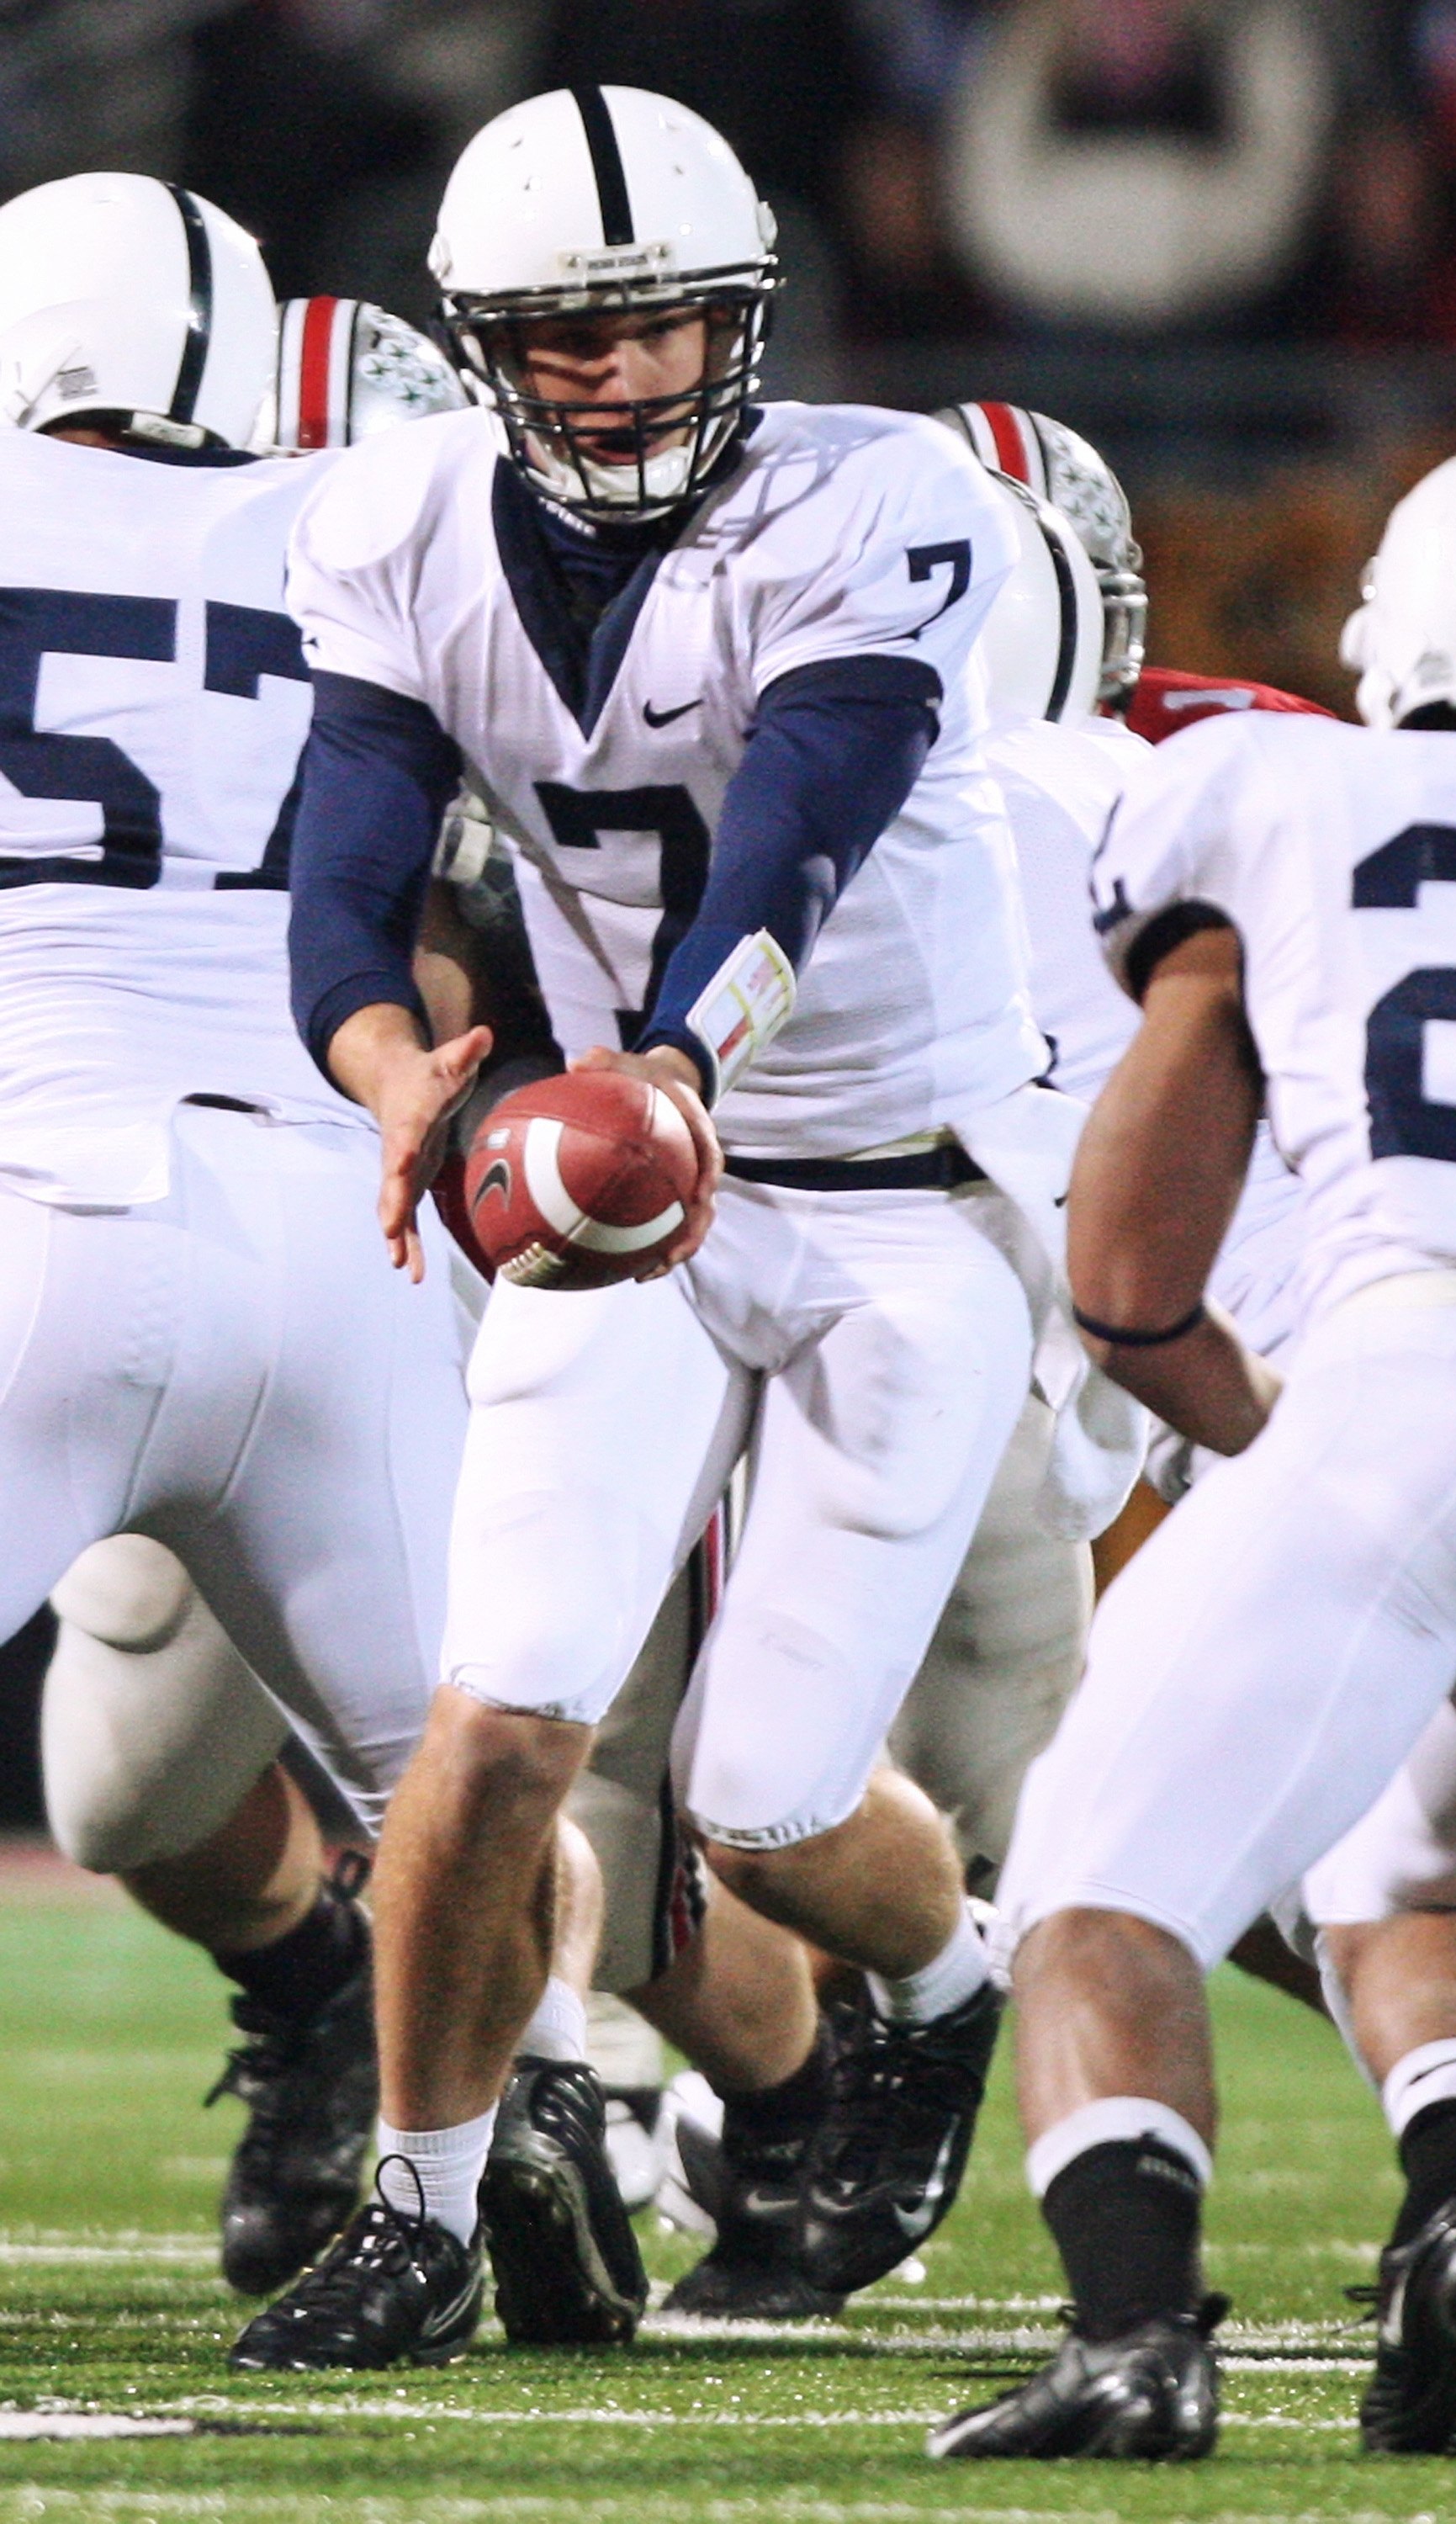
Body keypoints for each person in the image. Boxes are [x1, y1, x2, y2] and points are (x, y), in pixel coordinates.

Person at [234, 83, 1129, 2373]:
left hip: (894, 1196)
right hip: (633, 1208)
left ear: (740, 320)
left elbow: (803, 828)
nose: (621, 369)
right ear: (486, 341)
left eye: (659, 324)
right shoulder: (402, 519)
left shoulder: (881, 492)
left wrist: (677, 1063)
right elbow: (345, 846)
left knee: (764, 1796)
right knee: (499, 1723)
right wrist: (387, 1070)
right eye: (567, 331)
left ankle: (933, 1990)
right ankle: (415, 2208)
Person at [930, 430, 1456, 2462]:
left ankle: (1132, 2341)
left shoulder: (1278, 789)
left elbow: (1130, 1275)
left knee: (1091, 1889)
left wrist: (1269, 1444)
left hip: (1420, 1380)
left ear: (1384, 628)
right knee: (1419, 1891)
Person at [0, 180, 471, 2302]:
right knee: (490, 1782)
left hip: (47, 1214)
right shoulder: (381, 518)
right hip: (340, 1236)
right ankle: (502, 2174)